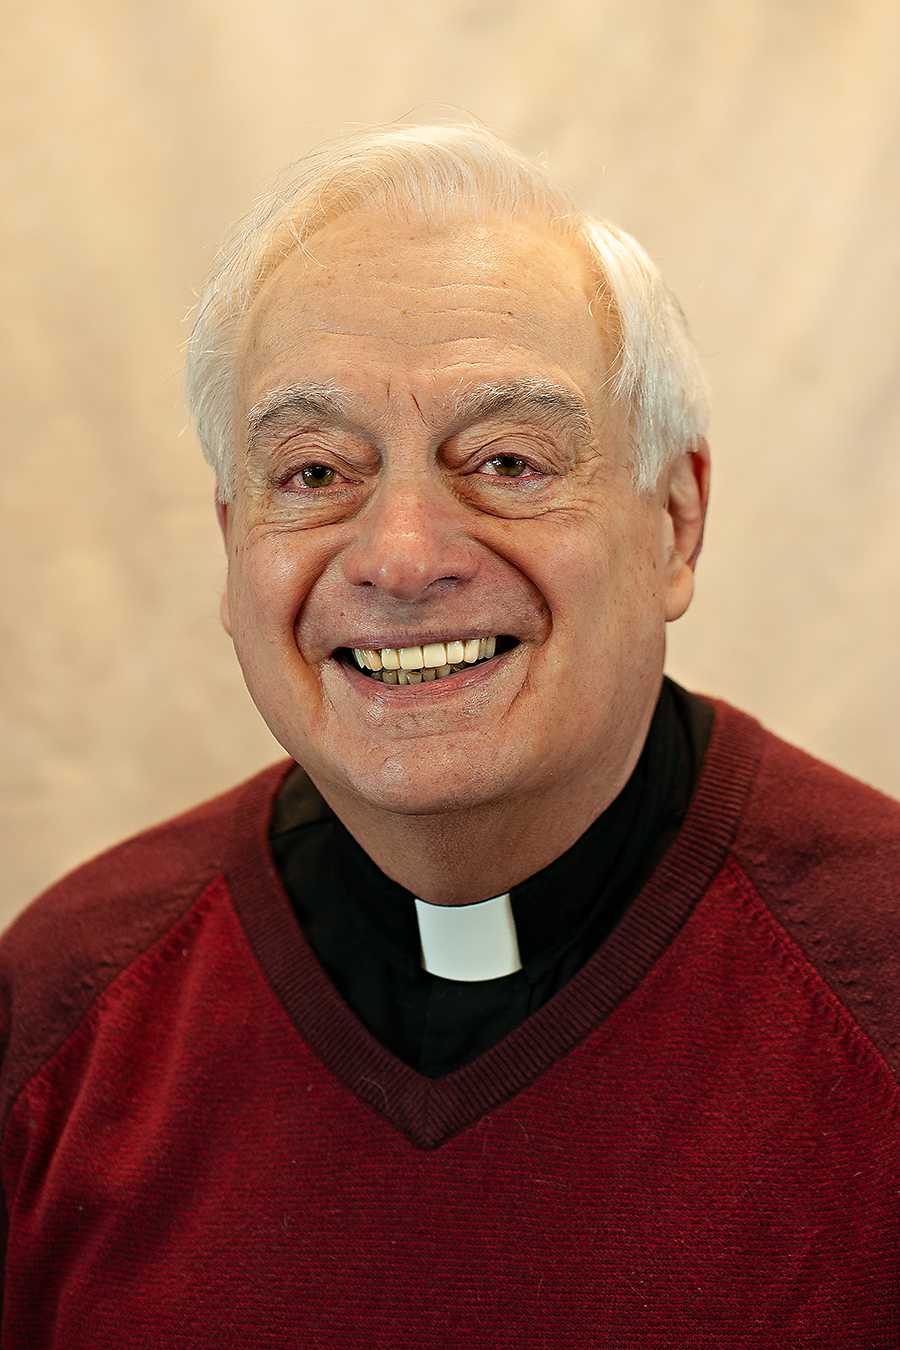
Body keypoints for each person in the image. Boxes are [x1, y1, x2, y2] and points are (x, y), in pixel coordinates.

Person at [1, 123, 898, 1348]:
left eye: (509, 461)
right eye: (315, 474)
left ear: (675, 524)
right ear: (231, 549)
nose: (403, 558)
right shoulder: (63, 1008)